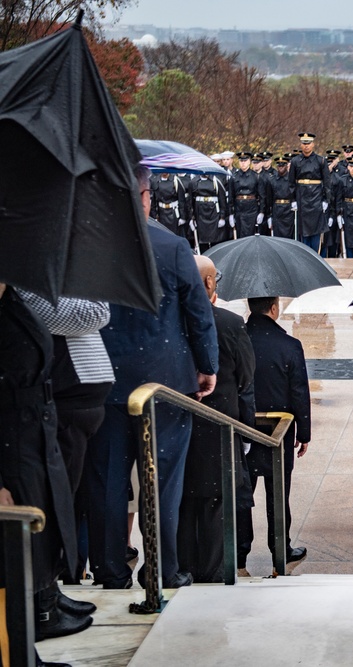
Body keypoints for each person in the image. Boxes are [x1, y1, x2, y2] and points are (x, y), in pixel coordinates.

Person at [86, 164, 219, 591]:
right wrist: (207, 366)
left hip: (104, 378)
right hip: (164, 381)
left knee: (107, 481)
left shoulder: (89, 242)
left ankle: (110, 570)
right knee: (162, 480)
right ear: (147, 197)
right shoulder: (172, 245)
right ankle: (161, 569)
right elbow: (199, 315)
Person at [0, 284, 87, 646]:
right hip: (12, 445)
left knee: (32, 549)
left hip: (31, 437)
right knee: (13, 558)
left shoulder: (14, 298)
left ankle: (26, 645)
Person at [177, 257, 256, 583]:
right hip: (219, 426)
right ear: (209, 285)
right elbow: (246, 377)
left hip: (180, 426)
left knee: (181, 504)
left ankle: (181, 568)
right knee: (215, 503)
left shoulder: (170, 319)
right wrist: (247, 427)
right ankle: (210, 573)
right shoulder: (229, 322)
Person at [237, 296, 310, 576]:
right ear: (274, 308)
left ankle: (240, 555)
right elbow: (299, 393)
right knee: (278, 494)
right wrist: (303, 432)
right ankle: (280, 549)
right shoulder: (289, 345)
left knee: (243, 494)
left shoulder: (238, 339)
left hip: (242, 427)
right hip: (278, 432)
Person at [288, 132, 330, 252]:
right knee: (303, 232)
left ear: (313, 144)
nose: (306, 146)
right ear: (301, 145)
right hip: (302, 197)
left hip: (316, 198)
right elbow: (291, 182)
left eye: (308, 143)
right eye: (304, 143)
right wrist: (293, 200)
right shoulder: (296, 161)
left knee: (316, 230)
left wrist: (326, 199)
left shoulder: (320, 161)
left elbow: (327, 182)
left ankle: (315, 255)